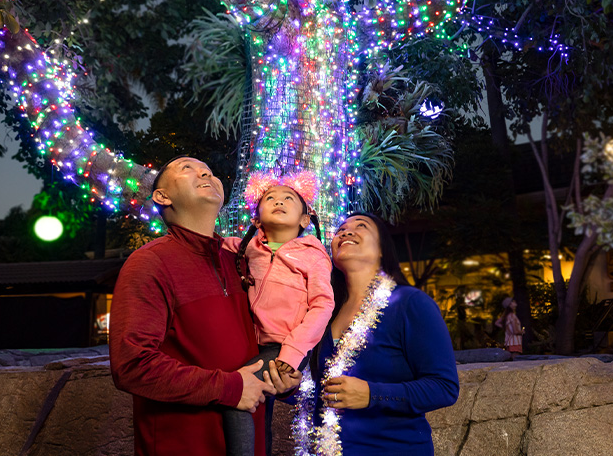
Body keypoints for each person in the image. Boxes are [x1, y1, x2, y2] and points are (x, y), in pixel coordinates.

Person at [109, 156, 300, 456]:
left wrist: (283, 379)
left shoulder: (242, 261)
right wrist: (230, 388)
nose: (205, 173)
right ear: (162, 196)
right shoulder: (149, 264)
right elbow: (132, 365)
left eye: (209, 171)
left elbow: (266, 341)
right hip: (184, 445)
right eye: (188, 168)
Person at [293, 212, 459, 455]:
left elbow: (444, 387)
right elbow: (317, 391)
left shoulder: (410, 303)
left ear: (383, 250)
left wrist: (373, 394)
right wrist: (288, 388)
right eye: (340, 230)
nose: (346, 232)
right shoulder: (322, 313)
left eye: (362, 226)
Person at [223, 171, 335, 456]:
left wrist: (292, 353)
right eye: (270, 198)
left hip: (284, 347)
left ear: (305, 220)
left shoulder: (313, 254)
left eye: (289, 198)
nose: (279, 201)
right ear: (256, 220)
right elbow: (214, 245)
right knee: (261, 415)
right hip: (252, 343)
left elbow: (323, 305)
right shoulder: (249, 249)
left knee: (237, 394)